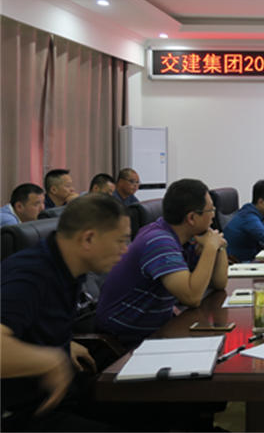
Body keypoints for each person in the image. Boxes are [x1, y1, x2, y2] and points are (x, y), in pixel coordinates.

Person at [0, 193, 140, 432]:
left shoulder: (69, 266)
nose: (125, 250)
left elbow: (36, 323)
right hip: (25, 410)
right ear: (88, 239)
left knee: (158, 400)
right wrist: (49, 359)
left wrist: (66, 342)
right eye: (120, 241)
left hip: (62, 390)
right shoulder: (30, 275)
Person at [95, 179, 228, 348]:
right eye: (211, 210)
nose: (214, 215)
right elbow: (191, 297)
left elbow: (219, 283)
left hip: (160, 328)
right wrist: (210, 247)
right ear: (192, 218)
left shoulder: (186, 237)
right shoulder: (159, 240)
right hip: (125, 339)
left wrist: (218, 246)